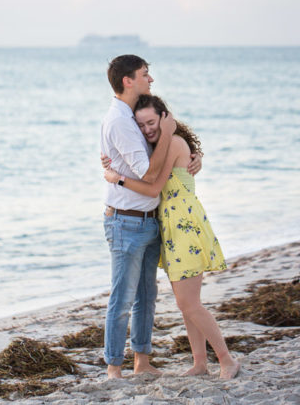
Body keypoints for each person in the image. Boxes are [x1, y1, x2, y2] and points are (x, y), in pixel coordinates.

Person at [103, 94, 240, 380]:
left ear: (165, 118)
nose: (146, 129)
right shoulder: (162, 145)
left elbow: (153, 188)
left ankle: (226, 360)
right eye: (140, 125)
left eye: (152, 122)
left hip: (184, 227)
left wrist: (117, 178)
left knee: (189, 304)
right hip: (172, 228)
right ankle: (200, 363)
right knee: (186, 304)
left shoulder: (173, 143)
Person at [100, 55, 201, 379]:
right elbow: (148, 171)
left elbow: (161, 152)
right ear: (128, 80)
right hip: (126, 220)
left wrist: (189, 154)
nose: (151, 79)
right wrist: (170, 134)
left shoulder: (133, 116)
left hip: (149, 219)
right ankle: (114, 367)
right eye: (145, 74)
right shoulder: (119, 120)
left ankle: (142, 362)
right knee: (123, 297)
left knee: (147, 296)